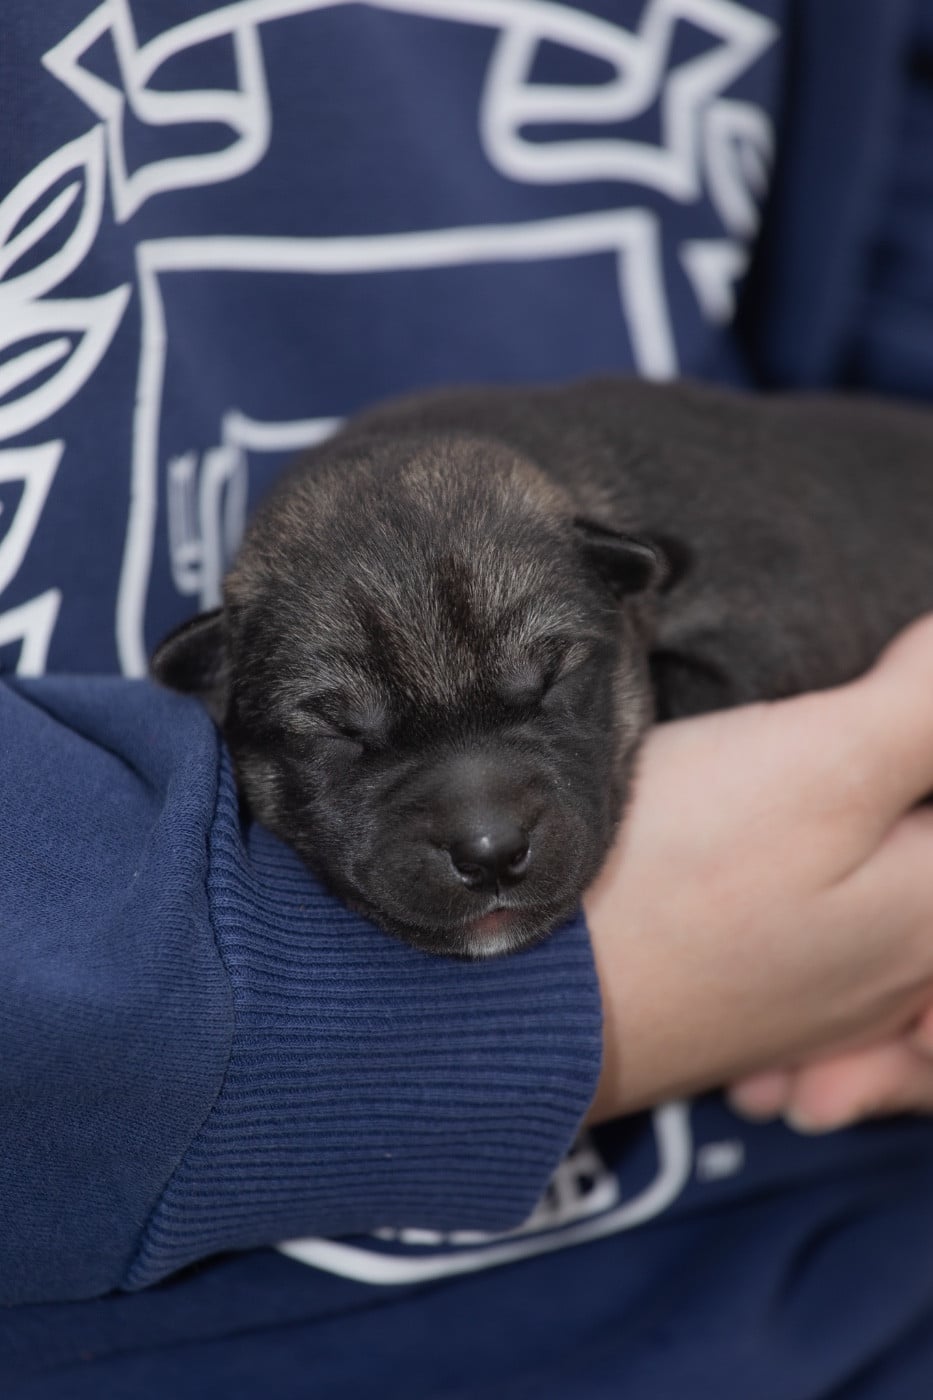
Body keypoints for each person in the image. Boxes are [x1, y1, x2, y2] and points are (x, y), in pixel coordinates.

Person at [3, 1, 933, 1395]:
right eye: (343, 731)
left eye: (547, 688)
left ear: (632, 594)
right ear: (212, 677)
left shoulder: (719, 564)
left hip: (851, 1268)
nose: (489, 828)